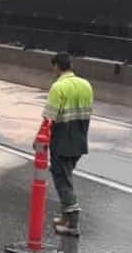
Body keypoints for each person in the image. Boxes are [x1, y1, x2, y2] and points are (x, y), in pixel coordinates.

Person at [40, 52, 94, 237]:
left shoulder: (58, 87)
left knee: (62, 181)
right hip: (79, 141)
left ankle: (73, 224)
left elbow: (49, 119)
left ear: (56, 66)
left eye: (52, 66)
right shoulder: (86, 85)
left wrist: (40, 140)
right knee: (66, 176)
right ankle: (64, 218)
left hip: (62, 141)